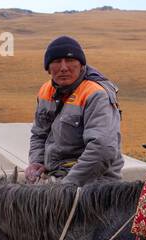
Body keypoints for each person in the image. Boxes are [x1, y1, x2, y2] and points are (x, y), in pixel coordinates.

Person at [25, 35, 124, 184]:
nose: (64, 67)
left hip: (94, 184)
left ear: (81, 65)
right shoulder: (46, 91)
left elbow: (103, 150)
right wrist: (37, 162)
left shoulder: (96, 94)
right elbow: (39, 134)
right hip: (56, 176)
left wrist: (67, 186)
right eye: (57, 61)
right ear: (48, 68)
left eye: (70, 60)